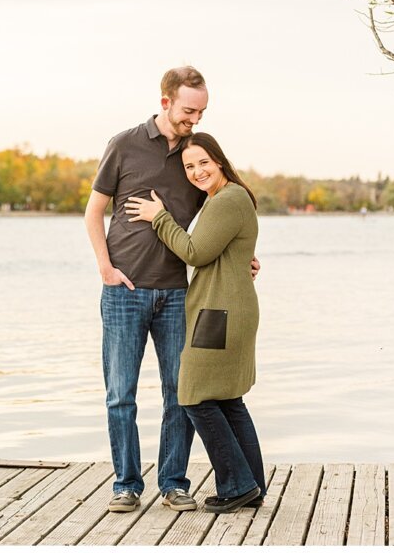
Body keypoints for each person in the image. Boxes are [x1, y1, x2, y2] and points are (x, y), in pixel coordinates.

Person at [83, 66, 259, 514]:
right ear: (165, 102)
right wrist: (105, 268)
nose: (193, 119)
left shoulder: (196, 156)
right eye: (187, 110)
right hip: (124, 289)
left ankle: (173, 483)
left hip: (179, 293)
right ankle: (125, 484)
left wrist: (242, 257)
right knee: (120, 393)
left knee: (178, 392)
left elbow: (222, 212)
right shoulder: (124, 144)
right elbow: (93, 213)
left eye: (200, 111)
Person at [125, 132, 265, 513]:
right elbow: (228, 252)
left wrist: (159, 218)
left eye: (203, 162)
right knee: (227, 400)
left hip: (219, 313)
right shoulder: (226, 199)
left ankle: (237, 486)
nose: (197, 171)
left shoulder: (228, 198)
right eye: (189, 166)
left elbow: (195, 251)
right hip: (226, 308)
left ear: (219, 160)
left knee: (192, 396)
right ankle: (252, 484)